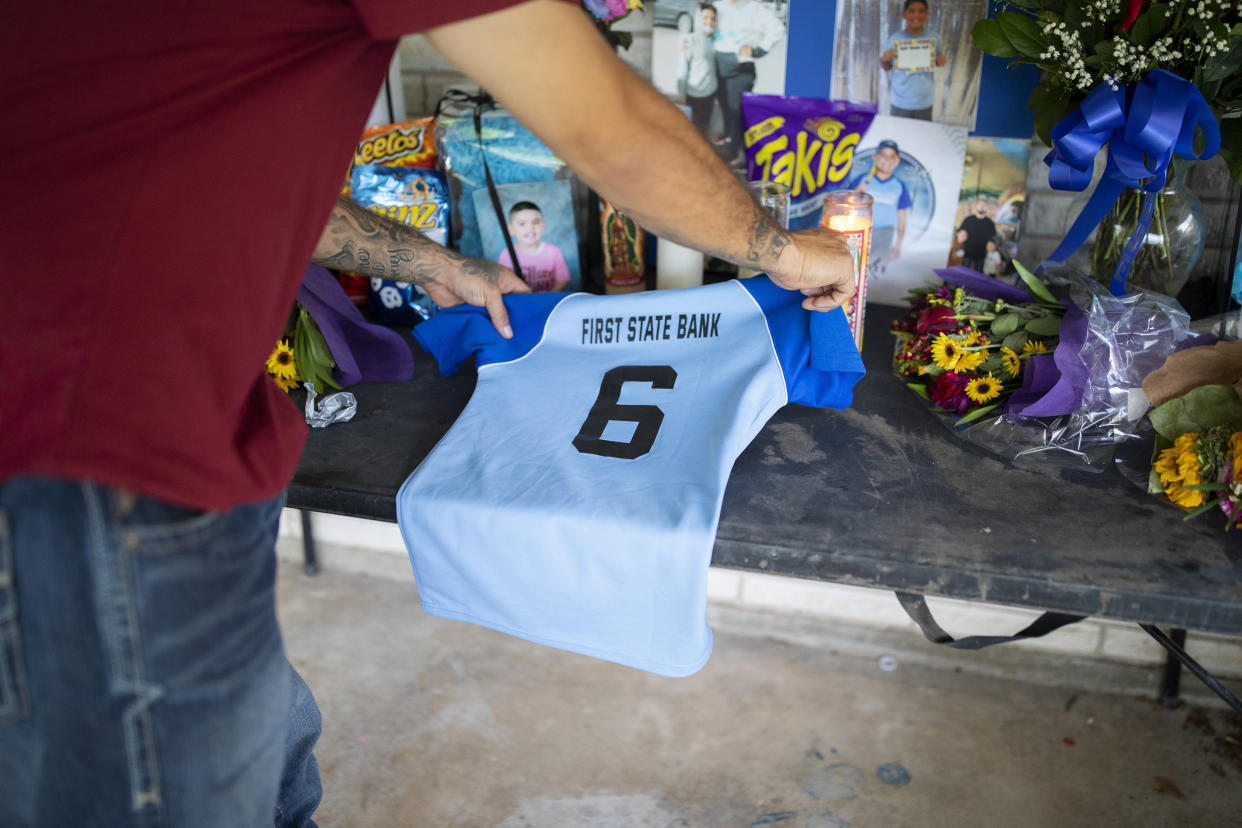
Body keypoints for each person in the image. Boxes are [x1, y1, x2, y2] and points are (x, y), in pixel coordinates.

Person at [1, 2, 855, 825]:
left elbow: (235, 176)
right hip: (84, 436)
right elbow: (609, 129)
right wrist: (778, 251)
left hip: (165, 409)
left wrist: (431, 263)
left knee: (262, 742)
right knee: (167, 781)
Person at [713, 0, 786, 164]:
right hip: (718, 64)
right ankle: (728, 139)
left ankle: (734, 155)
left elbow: (777, 29)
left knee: (735, 111)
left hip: (740, 68)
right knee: (724, 107)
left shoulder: (754, 8)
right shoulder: (719, 6)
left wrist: (758, 50)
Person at [846, 139, 913, 279]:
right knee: (854, 270)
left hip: (885, 233)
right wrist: (858, 191)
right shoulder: (862, 179)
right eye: (883, 155)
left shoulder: (899, 186)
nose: (887, 160)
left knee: (876, 272)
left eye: (892, 156)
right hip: (861, 231)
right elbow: (846, 205)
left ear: (897, 161)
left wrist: (898, 245)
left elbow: (902, 218)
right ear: (875, 158)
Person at [880, 0, 945, 121]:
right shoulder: (895, 38)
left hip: (924, 101)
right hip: (900, 101)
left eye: (921, 11)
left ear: (926, 14)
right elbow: (887, 67)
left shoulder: (934, 38)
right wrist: (884, 59)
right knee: (899, 136)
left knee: (921, 137)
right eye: (912, 11)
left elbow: (939, 61)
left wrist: (940, 61)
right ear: (904, 14)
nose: (916, 15)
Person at [497, 201, 571, 292]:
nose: (530, 228)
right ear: (511, 229)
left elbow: (562, 280)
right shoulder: (506, 255)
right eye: (522, 224)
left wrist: (547, 299)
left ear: (543, 225)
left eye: (535, 222)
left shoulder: (554, 252)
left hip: (548, 300)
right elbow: (503, 284)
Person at [677, 3, 719, 140]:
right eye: (705, 18)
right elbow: (682, 68)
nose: (709, 22)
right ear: (698, 19)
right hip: (693, 95)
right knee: (691, 132)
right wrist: (681, 94)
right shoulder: (689, 40)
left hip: (710, 94)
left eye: (713, 19)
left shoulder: (716, 40)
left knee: (704, 129)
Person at [956, 199, 998, 272]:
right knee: (963, 274)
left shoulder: (990, 223)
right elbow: (959, 232)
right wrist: (960, 236)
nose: (981, 207)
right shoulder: (968, 220)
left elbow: (994, 238)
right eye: (980, 205)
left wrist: (992, 243)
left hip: (981, 256)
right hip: (967, 254)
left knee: (978, 277)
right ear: (976, 207)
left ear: (986, 208)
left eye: (984, 206)